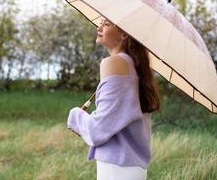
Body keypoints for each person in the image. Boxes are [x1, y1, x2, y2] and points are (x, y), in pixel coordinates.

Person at [67, 17, 161, 180]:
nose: (100, 26)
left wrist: (76, 117)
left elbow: (98, 129)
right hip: (132, 168)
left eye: (107, 24)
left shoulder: (114, 63)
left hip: (117, 168)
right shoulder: (134, 65)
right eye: (101, 22)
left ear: (124, 34)